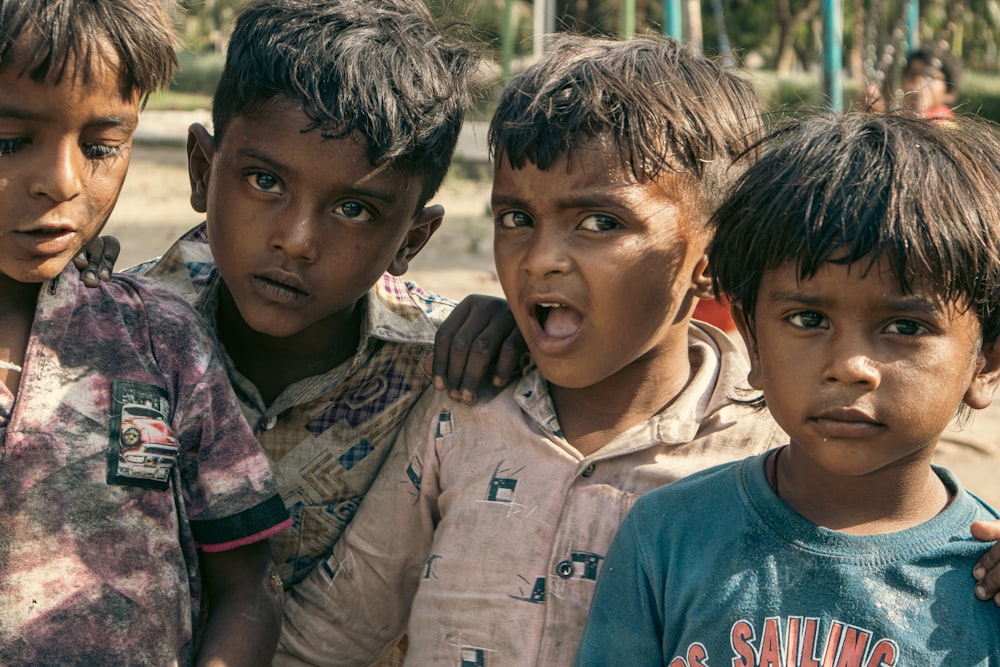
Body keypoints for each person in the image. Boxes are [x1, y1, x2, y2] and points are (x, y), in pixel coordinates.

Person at [275, 34, 788, 667]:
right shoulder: (461, 409)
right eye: (515, 218)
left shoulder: (766, 454)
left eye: (600, 222)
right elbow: (338, 622)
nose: (540, 259)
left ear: (710, 264)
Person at [121, 0, 523, 596]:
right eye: (265, 181)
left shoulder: (449, 368)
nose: (297, 241)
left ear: (410, 239)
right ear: (203, 170)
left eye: (354, 210)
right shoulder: (112, 331)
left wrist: (522, 335)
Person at [575, 113, 1000, 665]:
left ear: (985, 365)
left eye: (906, 327)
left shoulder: (985, 577)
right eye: (807, 318)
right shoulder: (669, 537)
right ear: (752, 342)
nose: (850, 367)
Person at [0, 1, 291, 664]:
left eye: (102, 146)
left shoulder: (159, 340)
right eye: (9, 141)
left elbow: (248, 582)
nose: (63, 182)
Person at [901, 46, 962, 119]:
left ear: (949, 93)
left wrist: (919, 112)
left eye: (930, 77)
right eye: (913, 74)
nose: (919, 82)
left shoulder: (946, 127)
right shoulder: (895, 119)